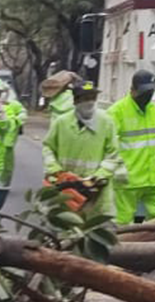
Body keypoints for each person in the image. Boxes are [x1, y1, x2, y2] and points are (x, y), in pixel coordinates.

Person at [42, 81, 120, 218]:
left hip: (95, 190)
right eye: (85, 98)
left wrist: (99, 176)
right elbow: (48, 147)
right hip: (67, 187)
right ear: (76, 101)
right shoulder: (61, 123)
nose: (90, 102)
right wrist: (55, 170)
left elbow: (113, 154)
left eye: (92, 98)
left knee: (94, 229)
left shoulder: (106, 122)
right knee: (66, 227)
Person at [107, 70, 155, 225]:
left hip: (154, 178)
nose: (148, 95)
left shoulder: (154, 110)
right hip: (127, 180)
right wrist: (115, 169)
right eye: (144, 91)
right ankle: (124, 248)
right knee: (122, 222)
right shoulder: (117, 112)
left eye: (151, 91)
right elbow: (107, 146)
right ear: (132, 90)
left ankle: (153, 246)